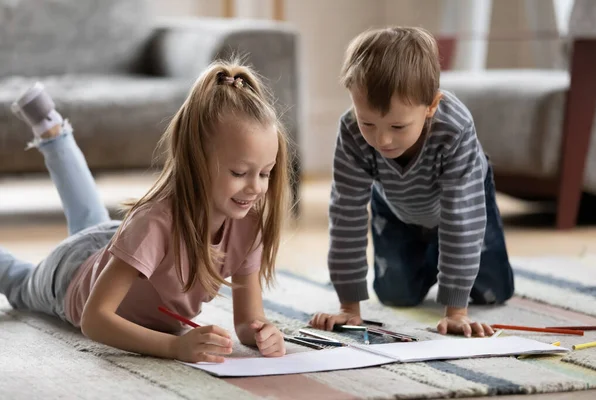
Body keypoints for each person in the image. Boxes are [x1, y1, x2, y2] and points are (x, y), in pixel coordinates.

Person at [1, 60, 291, 362]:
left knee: (91, 222)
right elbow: (95, 319)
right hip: (70, 277)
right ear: (196, 158)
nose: (256, 188)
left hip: (117, 247)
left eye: (265, 173)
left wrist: (262, 331)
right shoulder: (156, 222)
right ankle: (51, 128)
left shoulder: (249, 222)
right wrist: (174, 347)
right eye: (240, 172)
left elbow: (247, 320)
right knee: (19, 283)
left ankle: (51, 127)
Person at [309, 27, 514, 337]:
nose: (382, 139)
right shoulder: (351, 131)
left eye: (397, 125)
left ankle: (446, 260)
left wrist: (456, 311)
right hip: (396, 206)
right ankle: (434, 257)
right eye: (368, 122)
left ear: (431, 105)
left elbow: (461, 217)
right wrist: (349, 307)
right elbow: (346, 213)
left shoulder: (454, 128)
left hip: (461, 204)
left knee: (492, 293)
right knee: (396, 296)